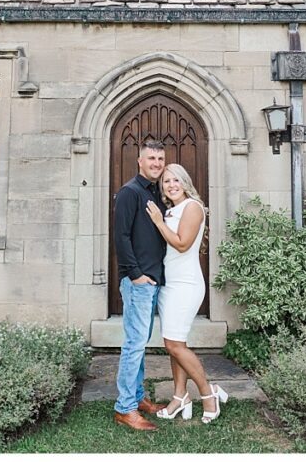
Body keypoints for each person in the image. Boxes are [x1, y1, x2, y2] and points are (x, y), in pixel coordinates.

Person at [145, 163, 229, 424]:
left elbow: (181, 244)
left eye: (175, 180)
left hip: (186, 285)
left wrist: (158, 222)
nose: (170, 185)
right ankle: (180, 396)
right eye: (166, 182)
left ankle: (208, 393)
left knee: (173, 344)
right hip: (170, 285)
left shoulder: (193, 207)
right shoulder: (172, 209)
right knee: (175, 344)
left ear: (185, 182)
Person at [113, 140, 168, 431]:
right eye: (151, 158)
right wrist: (135, 274)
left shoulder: (155, 194)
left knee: (140, 342)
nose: (157, 163)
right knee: (134, 344)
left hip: (153, 280)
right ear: (140, 161)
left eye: (160, 158)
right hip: (138, 282)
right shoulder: (129, 193)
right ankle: (124, 408)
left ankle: (137, 397)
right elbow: (121, 237)